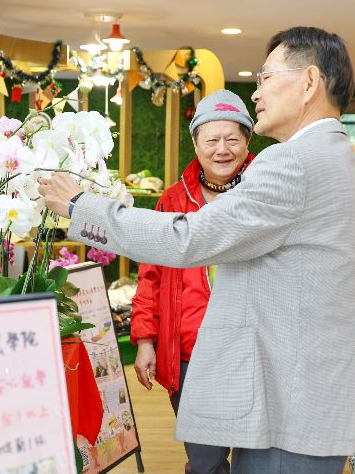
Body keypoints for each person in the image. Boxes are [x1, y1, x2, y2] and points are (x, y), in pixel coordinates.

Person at [39, 26, 355, 473]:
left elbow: (190, 237)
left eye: (265, 78)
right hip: (304, 399)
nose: (256, 95)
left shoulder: (292, 161)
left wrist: (82, 207)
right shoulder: (339, 158)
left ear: (309, 82)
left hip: (285, 408)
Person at [130, 89, 256, 474]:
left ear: (248, 141)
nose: (222, 149)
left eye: (232, 138)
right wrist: (147, 340)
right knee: (205, 461)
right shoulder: (172, 200)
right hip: (190, 352)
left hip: (253, 351)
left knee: (258, 459)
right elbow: (151, 275)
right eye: (212, 139)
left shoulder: (267, 192)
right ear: (196, 143)